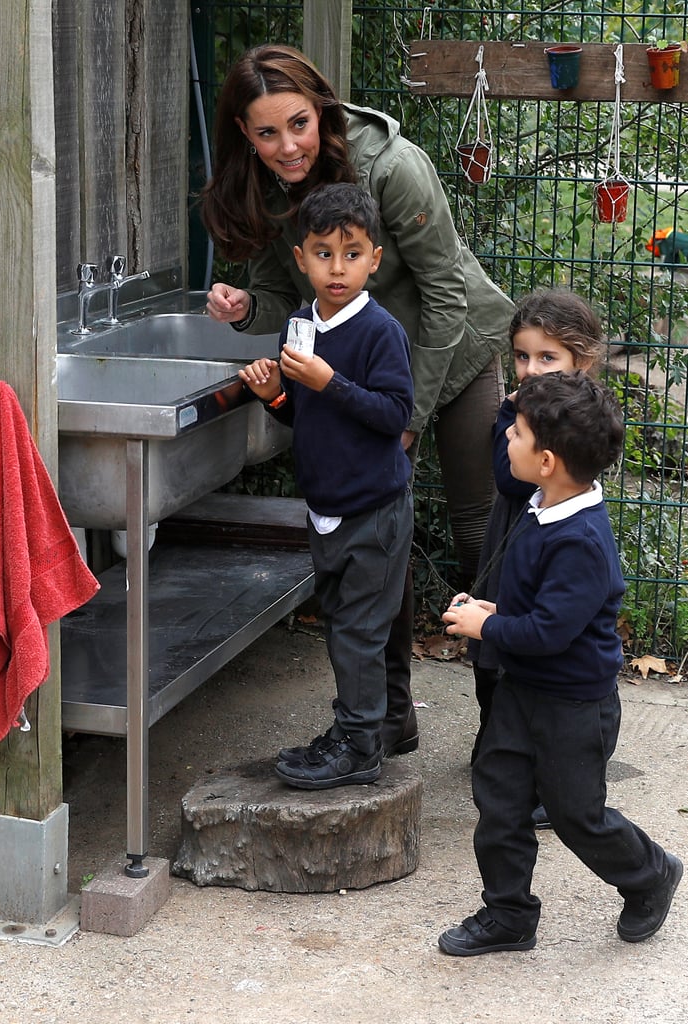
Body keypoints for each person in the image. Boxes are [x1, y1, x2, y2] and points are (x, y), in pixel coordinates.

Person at [201, 44, 514, 759]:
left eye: (299, 125)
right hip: (363, 378)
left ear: (323, 110)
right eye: (266, 133)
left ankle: (508, 732)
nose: (286, 146)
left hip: (450, 352)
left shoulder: (391, 167)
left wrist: (405, 414)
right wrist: (248, 306)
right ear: (245, 134)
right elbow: (284, 295)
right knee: (381, 546)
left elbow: (444, 293)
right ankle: (387, 719)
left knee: (478, 538)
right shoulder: (265, 184)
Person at [438, 371, 682, 956]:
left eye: (515, 435)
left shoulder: (581, 541)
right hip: (523, 690)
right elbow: (540, 607)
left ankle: (650, 875)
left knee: (577, 815)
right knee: (498, 799)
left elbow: (549, 631)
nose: (507, 443)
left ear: (546, 460)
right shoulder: (543, 505)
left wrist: (487, 626)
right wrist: (495, 607)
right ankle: (509, 914)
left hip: (574, 705)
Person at [238, 182, 413, 789]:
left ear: (375, 259)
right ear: (300, 257)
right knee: (343, 627)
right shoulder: (297, 325)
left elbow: (394, 416)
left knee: (360, 632)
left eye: (351, 253)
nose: (337, 269)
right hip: (325, 508)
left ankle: (361, 746)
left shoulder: (381, 331)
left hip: (375, 510)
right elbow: (300, 418)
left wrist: (329, 380)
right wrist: (275, 396)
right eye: (322, 253)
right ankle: (357, 729)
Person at [468, 290, 605, 773]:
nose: (531, 370)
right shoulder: (518, 413)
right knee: (490, 651)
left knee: (536, 639)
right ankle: (497, 734)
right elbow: (506, 479)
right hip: (509, 540)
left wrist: (514, 416)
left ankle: (547, 765)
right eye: (523, 357)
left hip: (551, 544)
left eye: (548, 357)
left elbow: (511, 477)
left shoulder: (579, 420)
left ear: (581, 363)